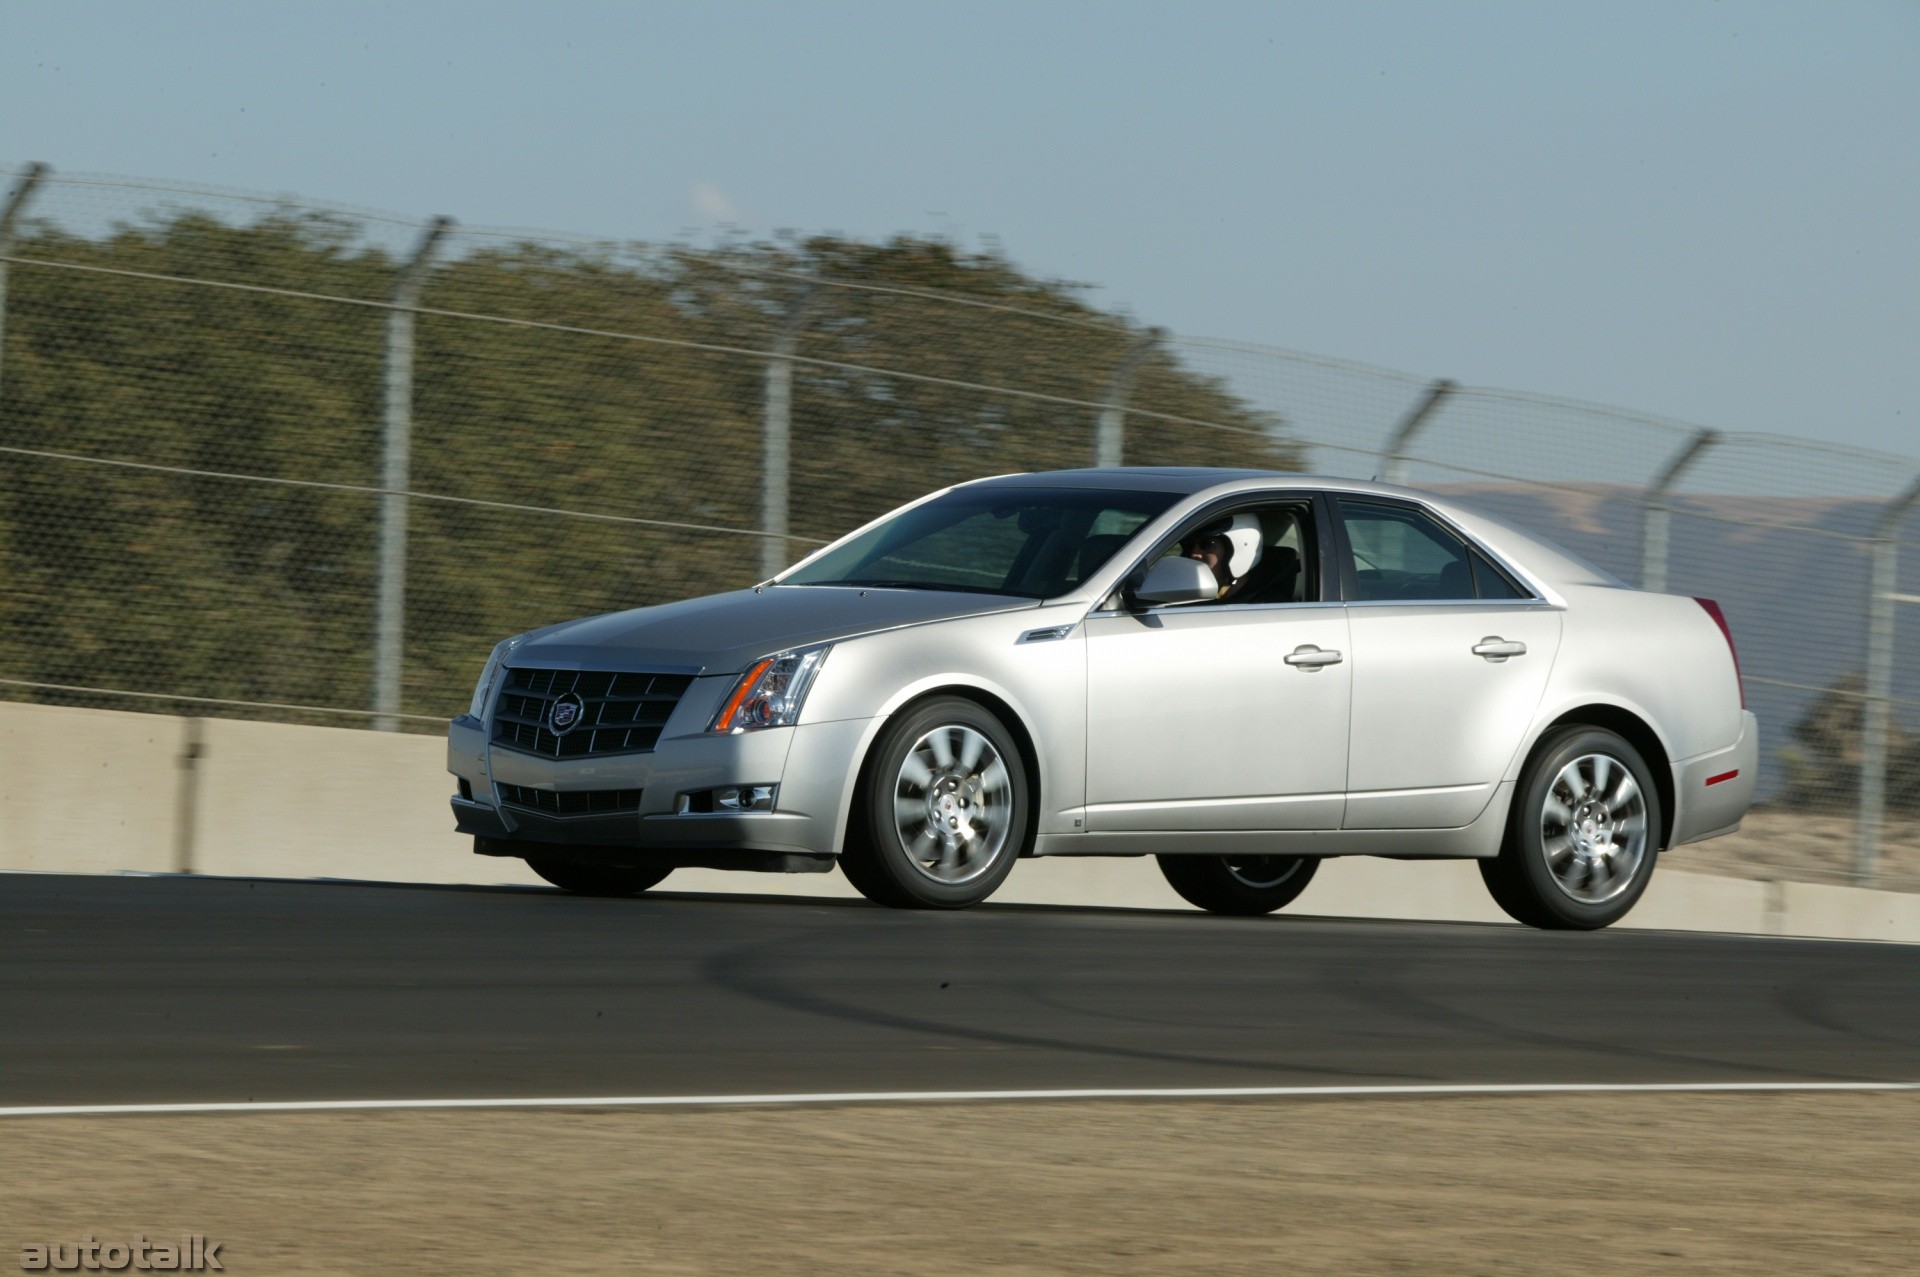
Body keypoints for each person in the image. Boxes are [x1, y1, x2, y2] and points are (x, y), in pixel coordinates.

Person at [1181, 515, 1263, 598]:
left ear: (1240, 546)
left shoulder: (1258, 605)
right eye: (1190, 545)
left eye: (1206, 544)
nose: (1194, 554)